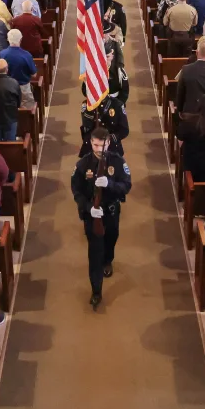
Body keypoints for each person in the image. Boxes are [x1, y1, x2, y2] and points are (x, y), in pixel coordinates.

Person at [71, 126, 132, 309]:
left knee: (111, 238)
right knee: (94, 253)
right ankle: (96, 290)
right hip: (93, 215)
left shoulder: (118, 162)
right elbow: (77, 191)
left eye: (102, 145)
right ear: (91, 143)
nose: (98, 149)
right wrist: (89, 208)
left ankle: (108, 260)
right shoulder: (83, 165)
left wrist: (110, 184)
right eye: (95, 144)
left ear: (108, 143)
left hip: (111, 212)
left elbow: (126, 186)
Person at [175, 37, 205, 113]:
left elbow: (180, 93)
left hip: (190, 112)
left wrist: (179, 110)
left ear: (197, 52)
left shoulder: (186, 69)